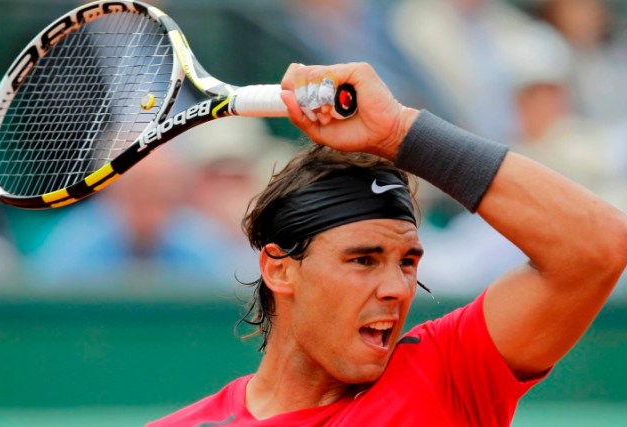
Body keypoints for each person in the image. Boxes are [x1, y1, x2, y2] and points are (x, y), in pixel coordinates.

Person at [146, 62, 627, 426]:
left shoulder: (447, 373)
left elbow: (597, 246)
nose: (398, 289)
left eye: (408, 261)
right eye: (363, 259)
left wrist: (399, 131)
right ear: (280, 269)